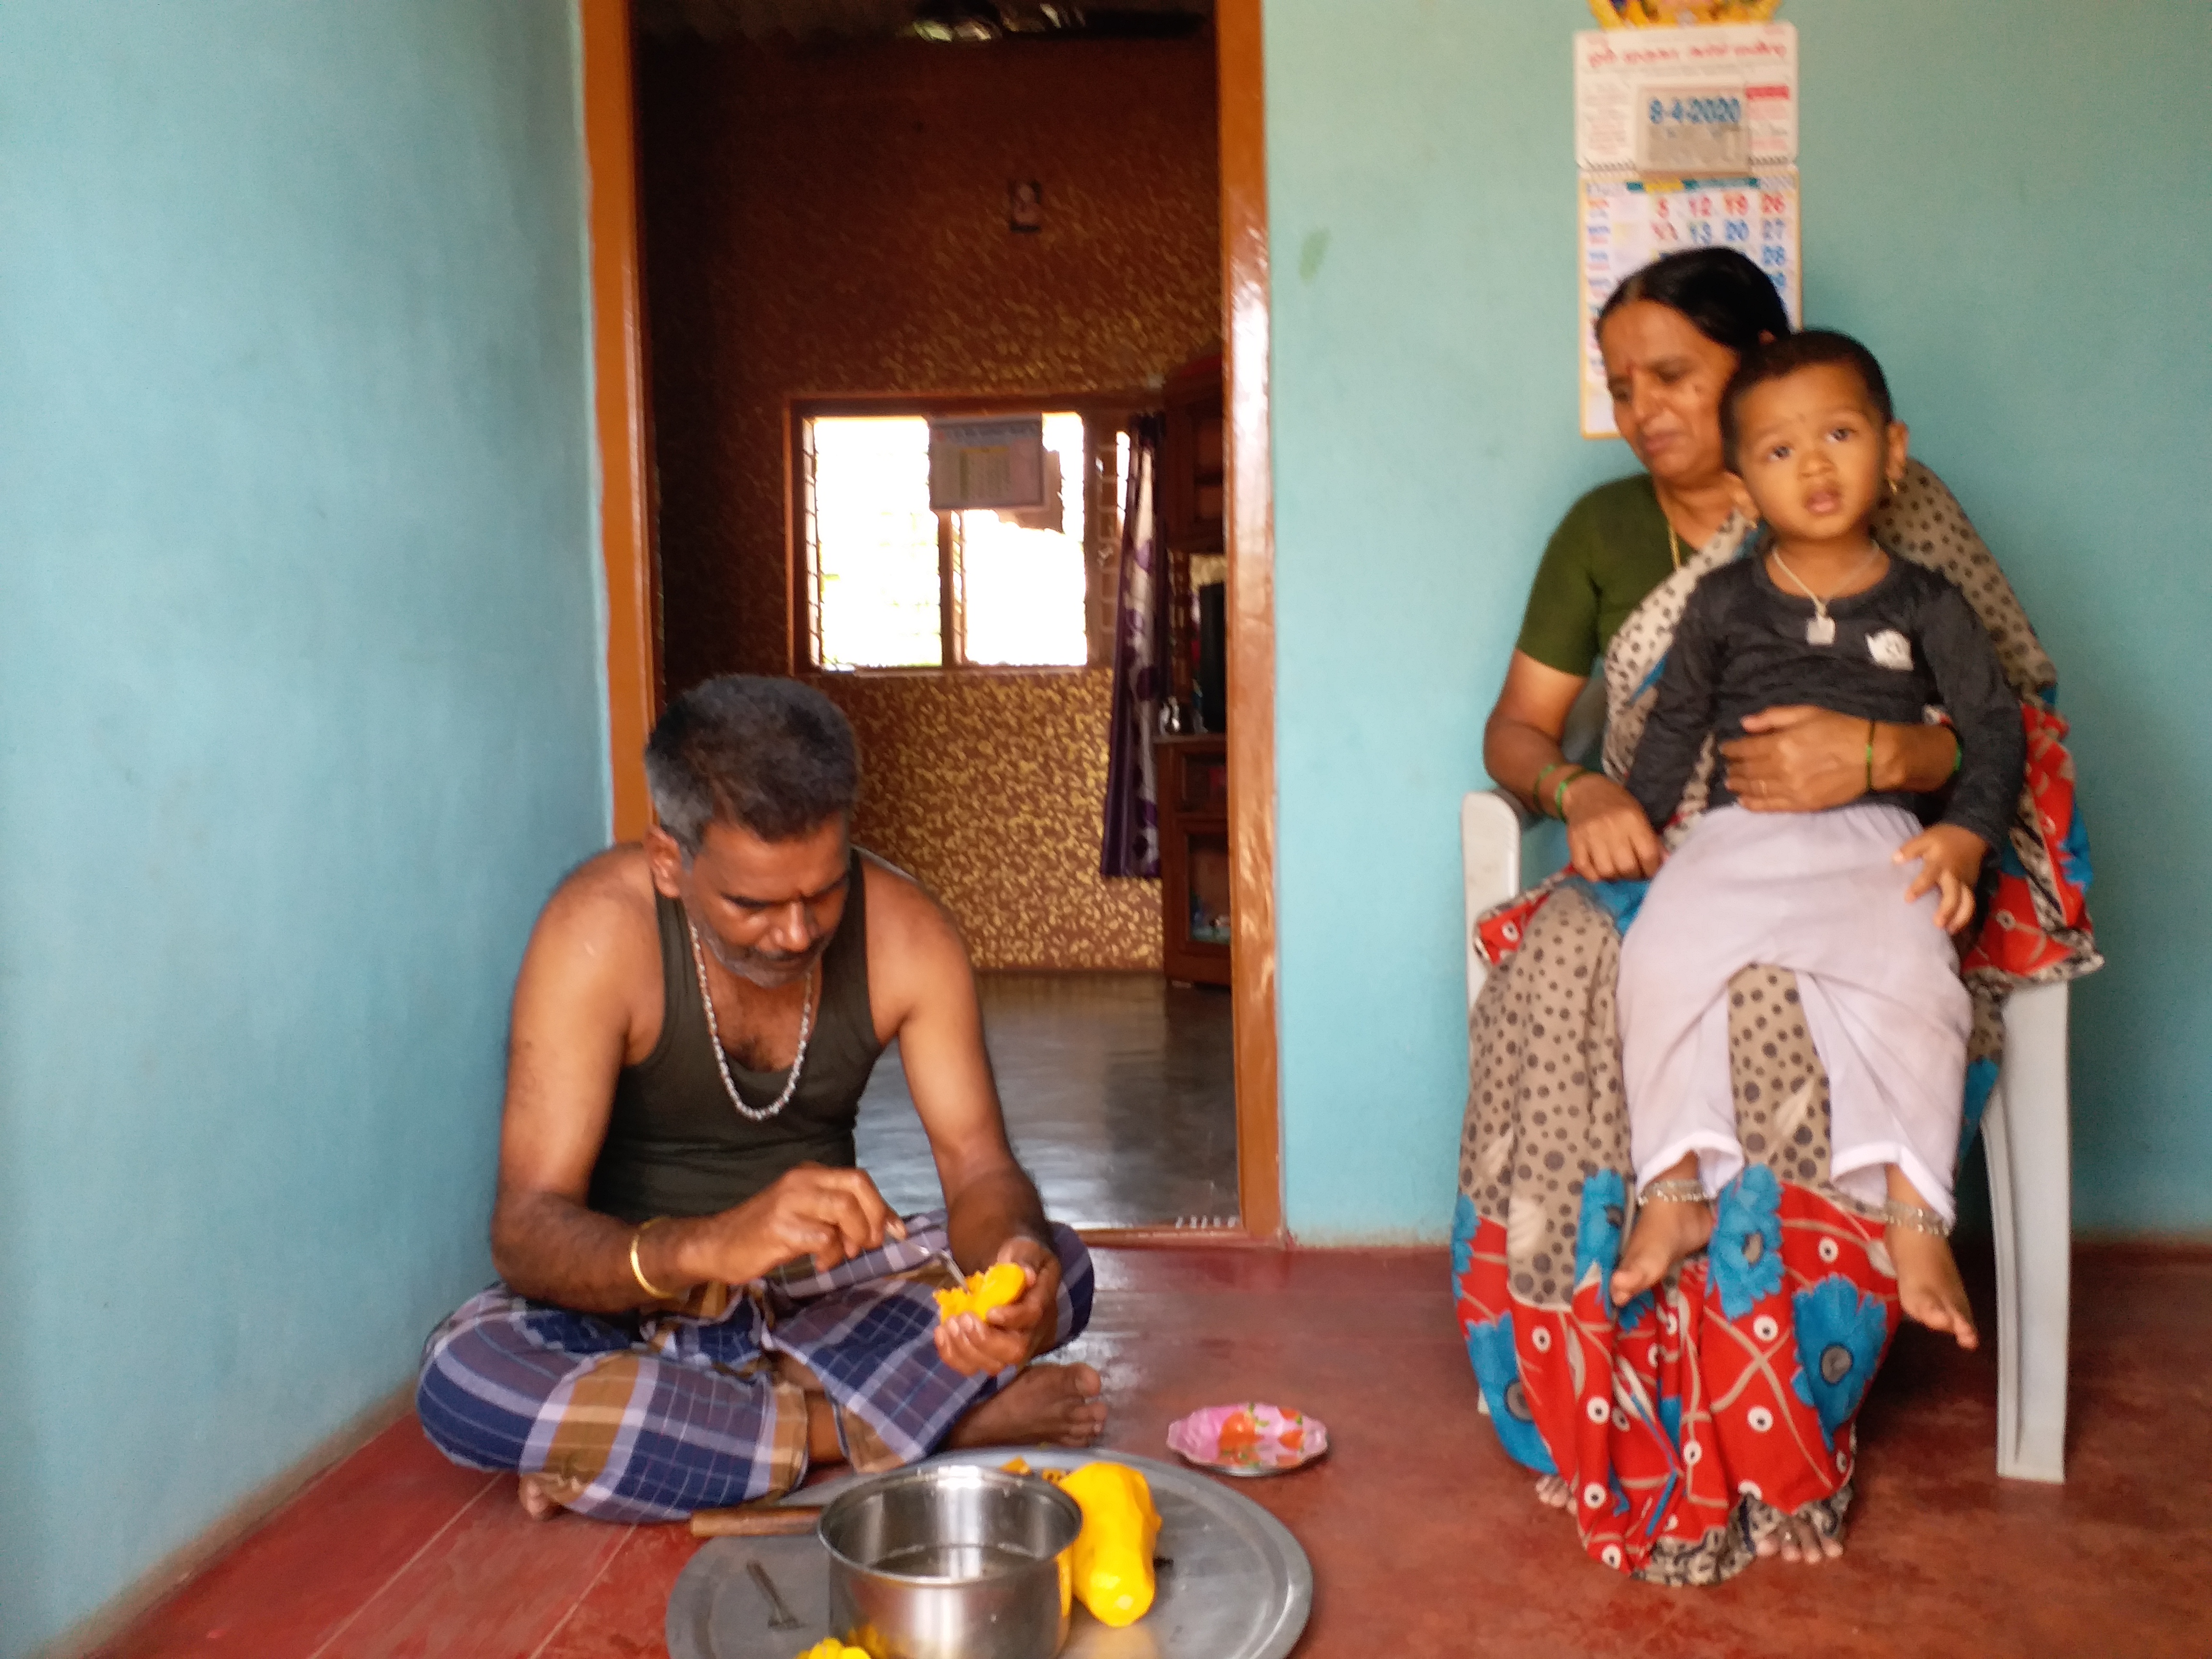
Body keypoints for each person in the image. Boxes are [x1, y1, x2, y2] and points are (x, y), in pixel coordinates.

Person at [1451, 248, 2095, 1585]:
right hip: (1680, 853)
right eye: (1623, 385)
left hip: (1870, 857)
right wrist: (1581, 793)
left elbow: (2009, 727)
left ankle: (1787, 1391)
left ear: (1766, 366)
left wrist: (1882, 767)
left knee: (1808, 1004)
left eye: (1673, 374)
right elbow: (1527, 730)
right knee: (1583, 972)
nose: (1642, 410)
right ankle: (1600, 1358)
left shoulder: (1913, 537)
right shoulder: (1606, 538)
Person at [415, 676, 1107, 1522]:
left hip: (824, 1299)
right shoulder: (597, 932)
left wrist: (1014, 1262)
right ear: (670, 861)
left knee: (1062, 1266)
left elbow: (976, 1164)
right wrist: (707, 1246)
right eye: (752, 904)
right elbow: (525, 1232)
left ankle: (679, 1445)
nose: (796, 932)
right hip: (635, 1308)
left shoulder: (907, 934)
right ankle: (923, 1429)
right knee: (465, 1376)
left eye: (824, 890)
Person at [1610, 330, 2025, 1349]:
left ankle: (1915, 1213)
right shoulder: (1720, 604)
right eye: (1780, 450)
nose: (1816, 465)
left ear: (1893, 452)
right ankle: (1672, 1185)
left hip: (1876, 836)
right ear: (1745, 486)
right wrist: (1633, 817)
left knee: (1923, 988)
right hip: (1737, 835)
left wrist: (1967, 840)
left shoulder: (1930, 603)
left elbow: (1995, 729)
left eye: (1840, 435)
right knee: (1656, 962)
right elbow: (1674, 727)